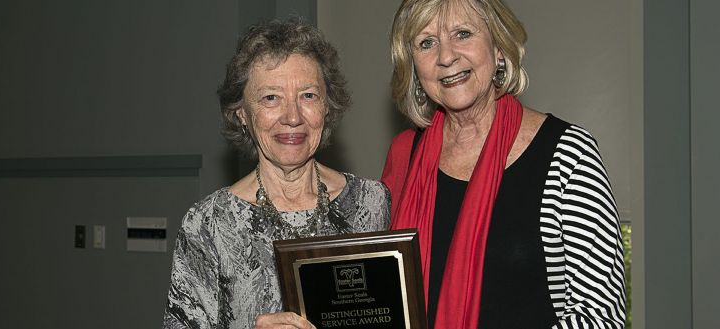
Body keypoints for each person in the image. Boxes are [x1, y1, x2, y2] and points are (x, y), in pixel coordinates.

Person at [381, 0, 626, 328]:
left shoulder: (568, 154)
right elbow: (379, 296)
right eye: (427, 43)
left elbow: (601, 316)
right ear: (413, 65)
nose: (446, 56)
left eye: (463, 34)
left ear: (498, 47)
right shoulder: (404, 154)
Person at [163, 18, 390, 329]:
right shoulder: (208, 224)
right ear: (242, 113)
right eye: (271, 98)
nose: (292, 116)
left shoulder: (371, 203)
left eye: (308, 96)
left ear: (327, 107)